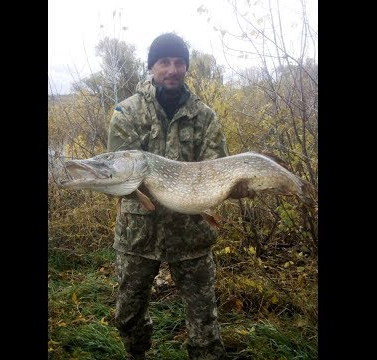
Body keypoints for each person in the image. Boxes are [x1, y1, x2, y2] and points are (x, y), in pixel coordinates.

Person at [107, 32, 252, 360]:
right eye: (164, 62)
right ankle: (137, 354)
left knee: (204, 321)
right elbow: (118, 171)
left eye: (178, 62)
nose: (172, 69)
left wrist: (234, 187)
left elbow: (217, 171)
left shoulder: (205, 117)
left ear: (186, 67)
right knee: (127, 316)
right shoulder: (126, 112)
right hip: (137, 232)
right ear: (152, 67)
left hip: (191, 232)